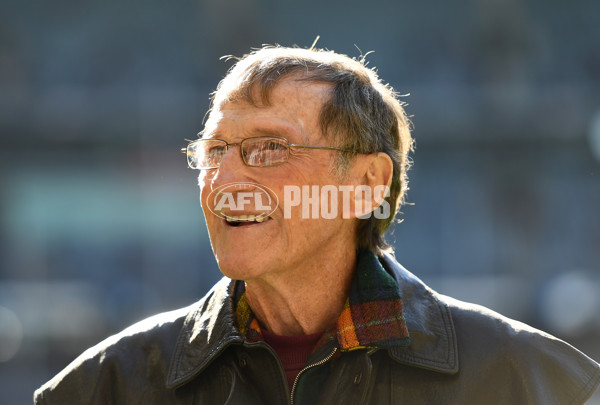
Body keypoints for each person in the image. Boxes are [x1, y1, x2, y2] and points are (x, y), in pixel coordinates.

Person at [35, 45, 599, 405]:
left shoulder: (535, 384)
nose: (224, 180)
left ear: (367, 184)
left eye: (269, 147)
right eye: (215, 151)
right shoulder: (100, 389)